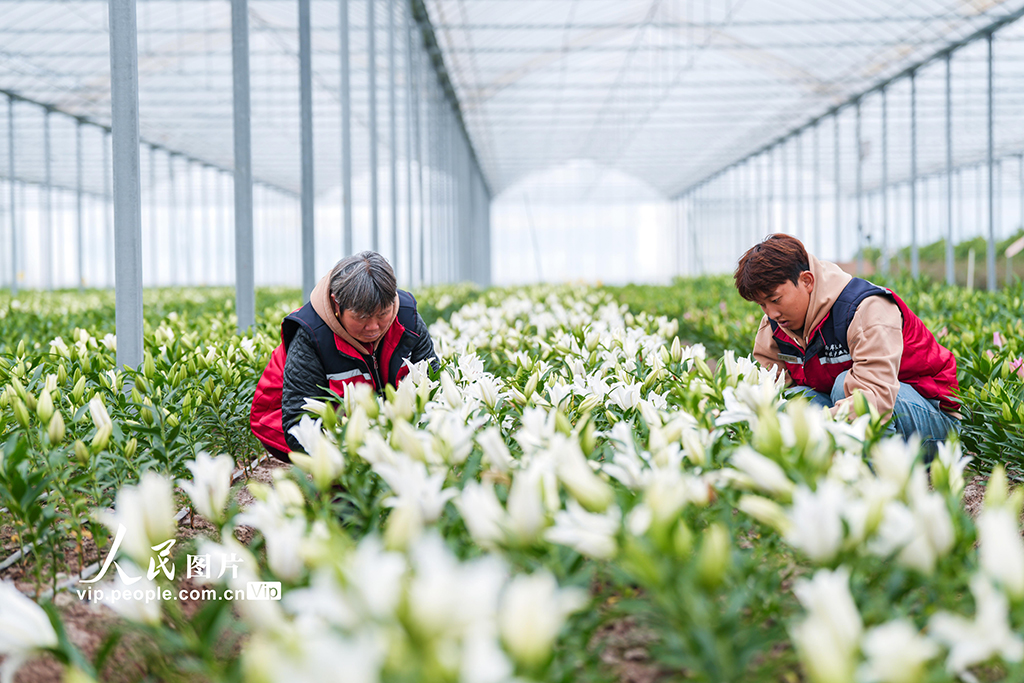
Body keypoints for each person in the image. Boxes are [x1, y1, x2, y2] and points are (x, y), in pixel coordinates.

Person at [733, 233, 959, 459]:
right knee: (794, 401)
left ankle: (878, 481)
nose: (771, 313)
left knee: (848, 388)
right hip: (856, 414)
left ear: (807, 281)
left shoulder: (866, 308)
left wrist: (815, 425)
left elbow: (876, 399)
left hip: (935, 422)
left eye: (775, 299)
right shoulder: (773, 329)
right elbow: (773, 396)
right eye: (762, 305)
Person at [251, 251, 439, 460]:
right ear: (337, 304)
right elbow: (299, 419)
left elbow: (432, 381)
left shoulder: (407, 318)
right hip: (281, 422)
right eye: (362, 317)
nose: (374, 327)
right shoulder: (311, 333)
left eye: (383, 314)